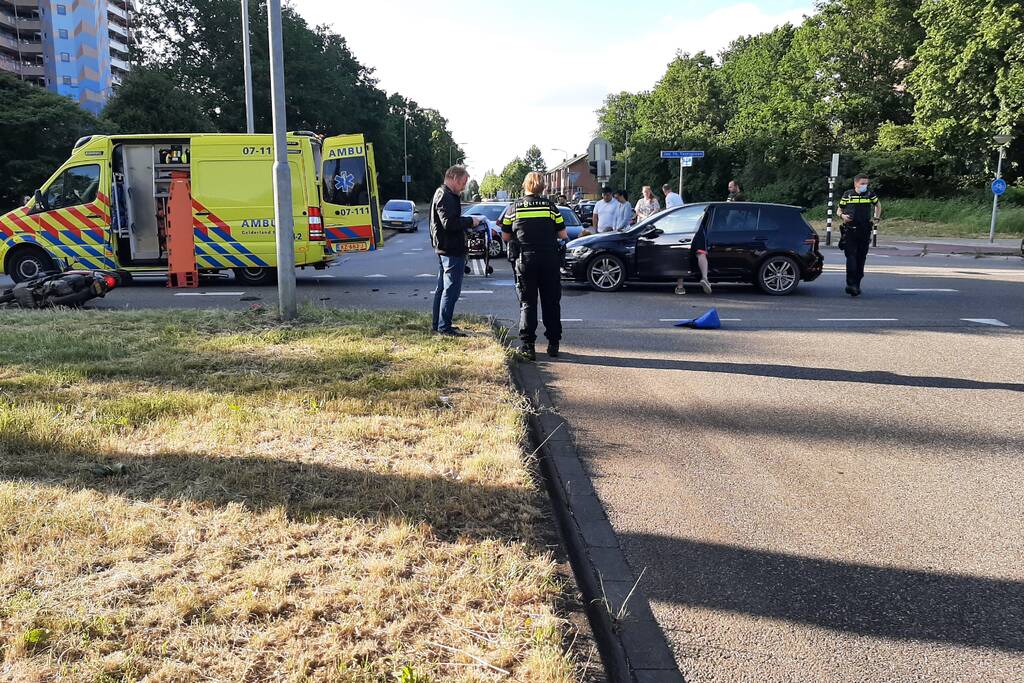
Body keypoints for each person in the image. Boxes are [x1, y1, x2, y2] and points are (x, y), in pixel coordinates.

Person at [501, 172, 568, 360]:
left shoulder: (514, 208)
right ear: (542, 187)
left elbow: (505, 236)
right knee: (551, 302)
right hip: (549, 260)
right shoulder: (551, 207)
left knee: (527, 303)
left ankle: (528, 346)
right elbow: (563, 235)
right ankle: (553, 344)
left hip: (525, 260)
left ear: (525, 185)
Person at [429, 165, 482, 336]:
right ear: (454, 178)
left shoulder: (443, 193)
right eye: (463, 182)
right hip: (450, 249)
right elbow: (449, 223)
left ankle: (439, 323)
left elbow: (448, 221)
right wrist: (470, 221)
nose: (464, 187)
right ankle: (444, 327)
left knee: (443, 288)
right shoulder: (446, 196)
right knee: (451, 290)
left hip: (445, 247)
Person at [837, 174, 881, 297]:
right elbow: (839, 210)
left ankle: (856, 284)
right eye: (862, 183)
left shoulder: (870, 194)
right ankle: (850, 284)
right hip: (850, 230)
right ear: (855, 183)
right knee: (851, 257)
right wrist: (843, 216)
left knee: (861, 258)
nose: (864, 186)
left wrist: (876, 218)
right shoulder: (848, 195)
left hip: (865, 230)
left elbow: (878, 205)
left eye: (866, 183)